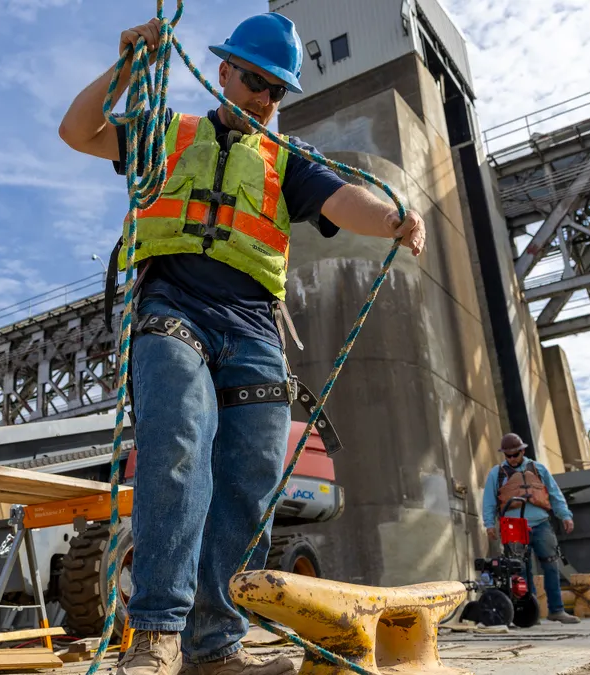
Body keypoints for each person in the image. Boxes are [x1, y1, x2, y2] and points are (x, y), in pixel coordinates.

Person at [58, 11, 427, 675]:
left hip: (254, 326)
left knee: (253, 473)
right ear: (224, 72)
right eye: (255, 80)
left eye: (277, 90)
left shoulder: (285, 163)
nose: (264, 98)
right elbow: (77, 130)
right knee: (177, 443)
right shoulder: (166, 133)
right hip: (171, 307)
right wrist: (125, 66)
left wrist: (396, 219)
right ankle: (156, 636)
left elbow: (345, 204)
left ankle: (214, 644)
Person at [481, 432, 580, 625]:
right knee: (521, 570)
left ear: (522, 451)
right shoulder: (497, 473)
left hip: (541, 523)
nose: (511, 459)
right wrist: (489, 524)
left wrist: (565, 515)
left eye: (515, 454)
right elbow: (489, 501)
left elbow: (554, 493)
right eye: (507, 455)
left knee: (551, 565)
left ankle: (557, 610)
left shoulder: (539, 469)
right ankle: (531, 612)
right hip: (513, 525)